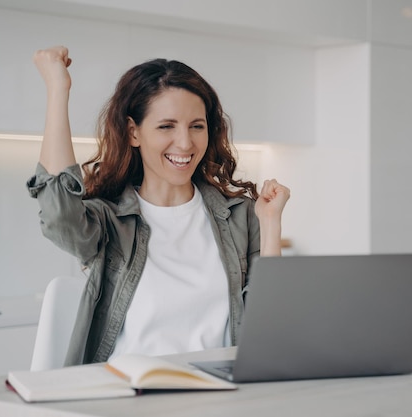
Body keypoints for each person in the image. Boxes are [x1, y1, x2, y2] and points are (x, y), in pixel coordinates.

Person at [27, 46, 290, 366]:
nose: (185, 143)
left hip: (218, 395)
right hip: (130, 395)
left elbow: (272, 325)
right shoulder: (111, 221)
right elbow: (57, 214)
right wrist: (58, 89)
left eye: (197, 126)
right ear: (133, 132)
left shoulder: (239, 215)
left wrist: (271, 223)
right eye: (167, 126)